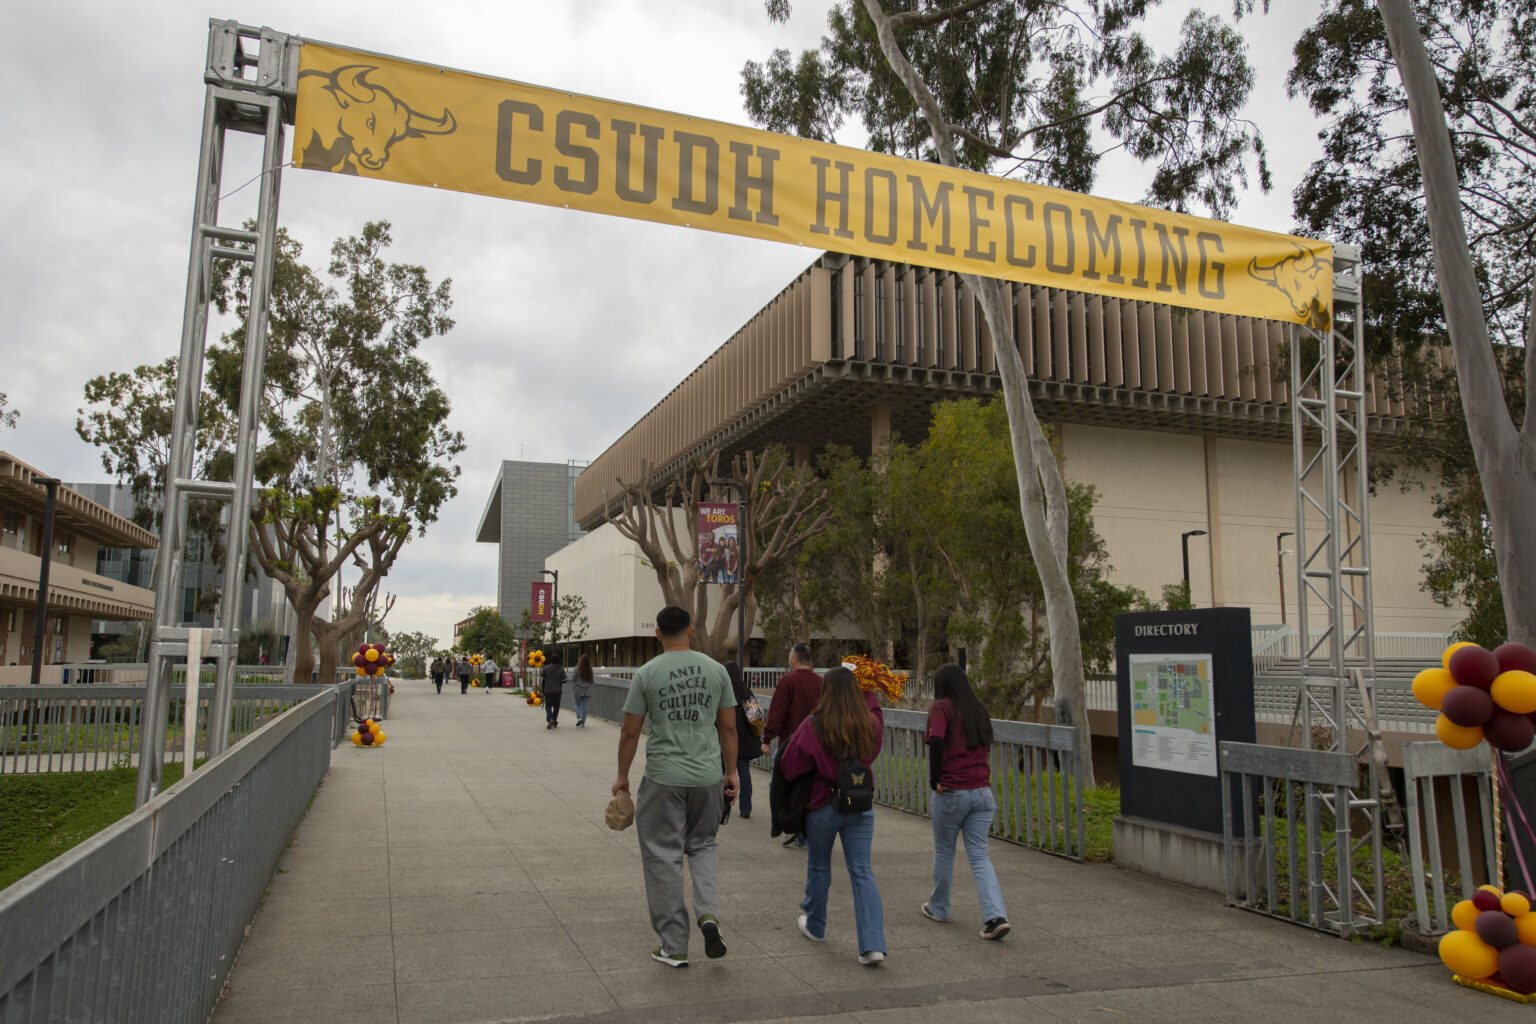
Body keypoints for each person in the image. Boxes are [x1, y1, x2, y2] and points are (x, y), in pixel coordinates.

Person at [612, 605, 738, 968]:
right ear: (691, 631)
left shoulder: (647, 673)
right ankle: (709, 916)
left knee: (662, 856)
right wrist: (731, 772)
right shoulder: (716, 671)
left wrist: (622, 776)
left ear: (657, 634)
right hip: (708, 777)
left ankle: (673, 945)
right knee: (703, 846)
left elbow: (630, 731)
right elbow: (728, 728)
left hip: (664, 778)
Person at [779, 666, 886, 965]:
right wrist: (866, 688)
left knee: (819, 867)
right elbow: (875, 719)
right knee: (862, 871)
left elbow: (790, 764)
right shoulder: (871, 724)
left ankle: (815, 924)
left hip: (823, 805)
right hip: (860, 806)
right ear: (857, 692)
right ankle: (873, 945)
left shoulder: (814, 725)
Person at [922, 664, 1011, 940]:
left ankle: (939, 907)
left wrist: (935, 779)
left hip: (952, 790)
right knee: (979, 855)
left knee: (945, 851)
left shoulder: (941, 708)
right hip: (982, 793)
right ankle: (995, 916)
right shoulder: (978, 710)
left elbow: (936, 742)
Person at [762, 642, 822, 846]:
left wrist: (767, 739)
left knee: (780, 787)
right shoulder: (820, 683)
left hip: (790, 744)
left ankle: (786, 824)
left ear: (794, 659)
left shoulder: (787, 681)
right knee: (808, 789)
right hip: (815, 746)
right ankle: (805, 830)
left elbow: (776, 712)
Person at [724, 660, 757, 820]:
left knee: (722, 772)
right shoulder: (745, 692)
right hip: (743, 740)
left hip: (724, 740)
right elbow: (755, 718)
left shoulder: (722, 691)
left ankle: (722, 803)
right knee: (744, 773)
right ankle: (746, 808)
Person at [541, 652, 566, 728]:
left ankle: (550, 718)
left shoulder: (546, 668)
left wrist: (543, 690)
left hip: (548, 690)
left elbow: (543, 680)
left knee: (548, 706)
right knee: (556, 707)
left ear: (550, 660)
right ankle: (554, 721)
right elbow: (564, 680)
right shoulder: (561, 669)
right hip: (558, 691)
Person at [572, 654, 594, 726]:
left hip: (578, 689)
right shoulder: (590, 669)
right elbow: (592, 681)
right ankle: (583, 722)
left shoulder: (577, 668)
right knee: (585, 706)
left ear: (580, 660)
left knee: (577, 704)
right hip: (587, 690)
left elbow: (573, 679)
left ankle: (579, 717)